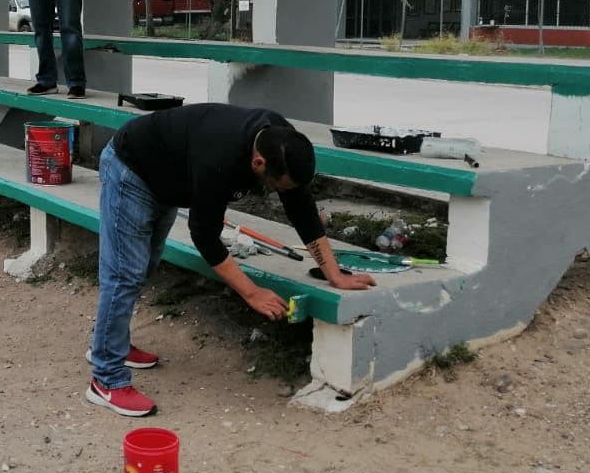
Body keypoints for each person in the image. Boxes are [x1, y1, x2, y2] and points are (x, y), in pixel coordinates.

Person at [86, 103, 377, 417]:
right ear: (258, 162)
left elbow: (301, 209)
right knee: (124, 275)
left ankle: (111, 343)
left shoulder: (281, 141)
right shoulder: (219, 158)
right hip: (131, 171)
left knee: (144, 268)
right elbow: (205, 235)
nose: (281, 193)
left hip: (168, 178)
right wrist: (251, 293)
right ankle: (106, 379)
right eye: (278, 186)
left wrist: (334, 273)